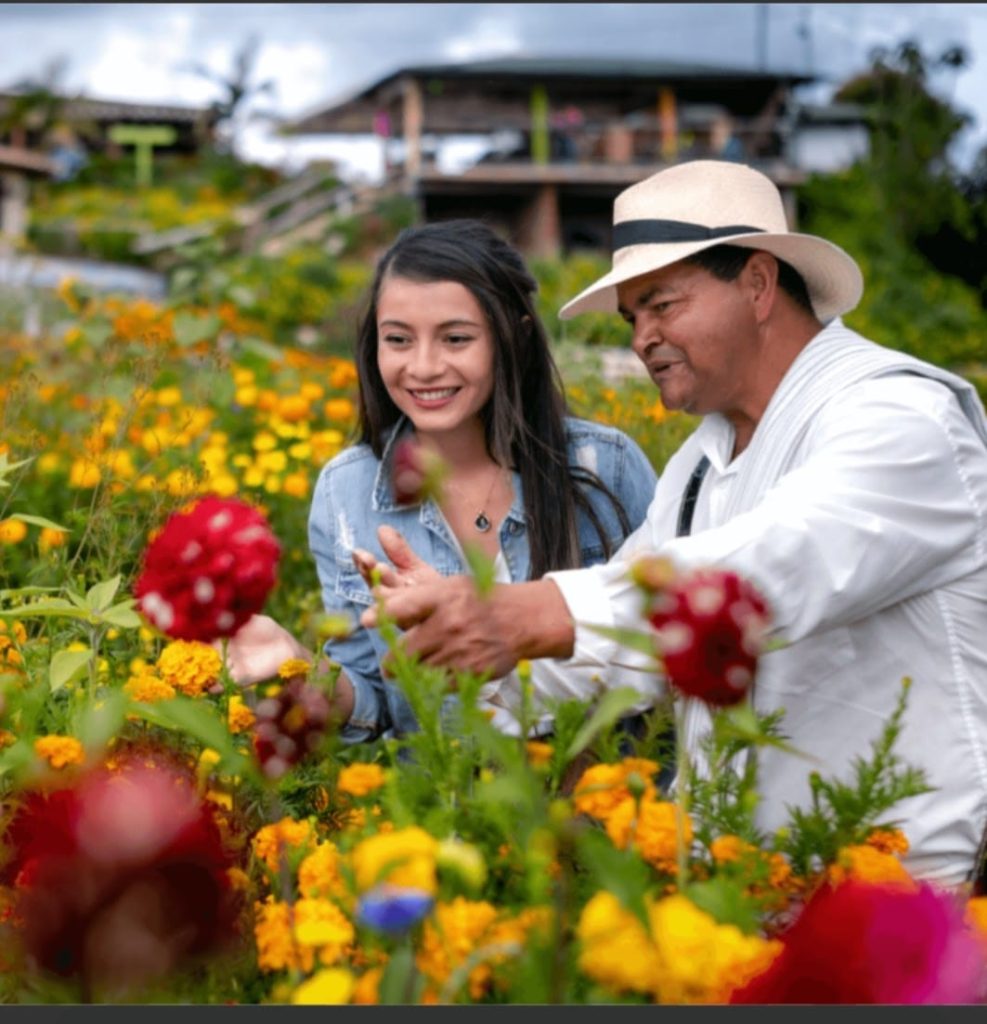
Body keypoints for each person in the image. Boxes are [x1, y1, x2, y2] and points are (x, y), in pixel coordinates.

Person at [364, 160, 987, 888]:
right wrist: (460, 646)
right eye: (632, 317)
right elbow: (617, 635)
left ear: (757, 284)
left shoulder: (900, 419)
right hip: (745, 901)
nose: (641, 338)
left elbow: (769, 568)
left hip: (905, 907)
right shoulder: (702, 459)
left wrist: (529, 612)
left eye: (661, 304)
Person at [221, 218, 659, 741]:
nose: (423, 367)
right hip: (438, 810)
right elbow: (375, 701)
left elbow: (662, 647)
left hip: (597, 808)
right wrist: (297, 665)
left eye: (455, 338)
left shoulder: (601, 467)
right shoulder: (349, 489)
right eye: (398, 340)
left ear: (513, 337)